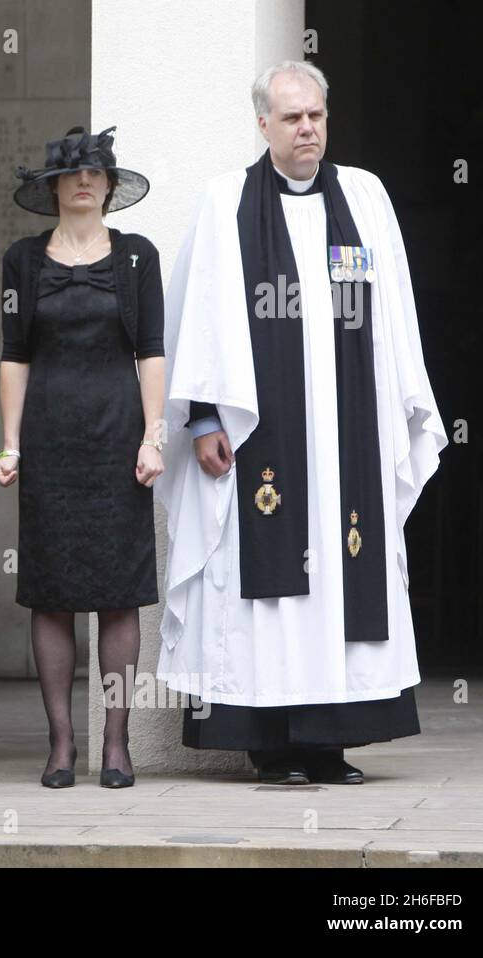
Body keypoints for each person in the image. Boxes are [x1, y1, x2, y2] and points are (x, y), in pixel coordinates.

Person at [155, 61, 447, 784]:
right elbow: (194, 318)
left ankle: (328, 742)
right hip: (264, 440)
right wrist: (199, 422)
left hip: (349, 435)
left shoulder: (366, 197)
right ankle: (271, 744)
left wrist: (403, 410)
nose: (308, 128)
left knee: (342, 585)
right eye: (292, 118)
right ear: (263, 125)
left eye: (316, 115)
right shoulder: (227, 203)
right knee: (271, 585)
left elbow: (397, 315)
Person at [0, 126, 164, 789]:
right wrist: (12, 444)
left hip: (119, 436)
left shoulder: (138, 258)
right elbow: (14, 355)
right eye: (73, 174)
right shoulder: (22, 261)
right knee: (52, 593)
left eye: (96, 173)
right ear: (54, 187)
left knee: (119, 594)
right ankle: (62, 744)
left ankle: (115, 745)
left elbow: (151, 349)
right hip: (51, 438)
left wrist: (154, 436)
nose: (85, 182)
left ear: (110, 186)